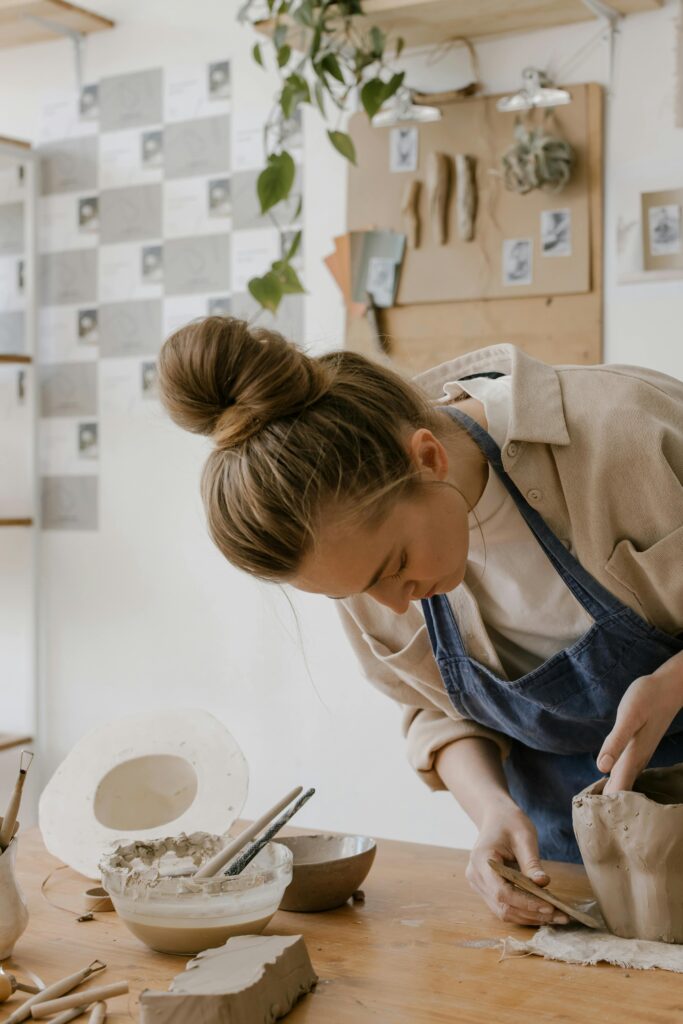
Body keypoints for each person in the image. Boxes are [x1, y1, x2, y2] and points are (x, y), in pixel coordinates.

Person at [157, 316, 683, 928]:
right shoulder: (361, 566)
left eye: (395, 566)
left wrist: (674, 682)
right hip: (577, 854)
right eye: (357, 591)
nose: (394, 605)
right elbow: (432, 708)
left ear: (427, 457)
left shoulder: (629, 430)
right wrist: (488, 809)